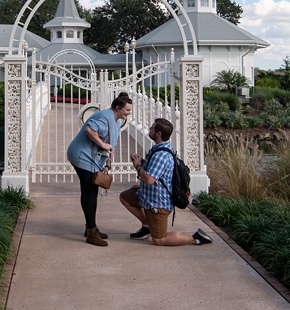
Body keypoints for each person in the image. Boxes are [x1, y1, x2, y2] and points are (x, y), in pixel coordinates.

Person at [120, 117, 213, 246]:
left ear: (158, 133)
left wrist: (137, 166)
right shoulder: (159, 148)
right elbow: (153, 170)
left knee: (159, 240)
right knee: (125, 197)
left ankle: (196, 238)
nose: (150, 129)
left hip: (157, 204)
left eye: (152, 128)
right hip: (147, 196)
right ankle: (147, 227)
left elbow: (149, 180)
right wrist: (141, 162)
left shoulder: (161, 155)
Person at [66, 92, 132, 247]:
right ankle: (91, 232)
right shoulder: (104, 117)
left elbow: (112, 145)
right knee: (90, 192)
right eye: (127, 110)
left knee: (87, 190)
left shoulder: (116, 120)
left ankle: (90, 227)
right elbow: (89, 130)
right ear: (118, 108)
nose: (129, 113)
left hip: (92, 158)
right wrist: (102, 145)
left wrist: (107, 164)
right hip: (81, 156)